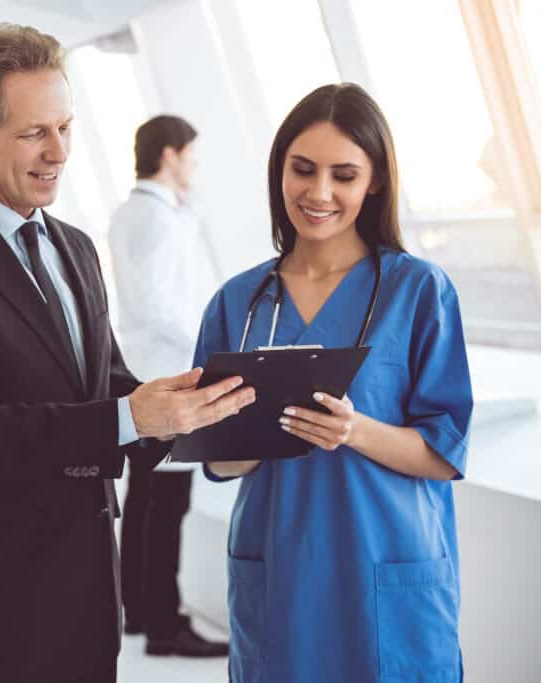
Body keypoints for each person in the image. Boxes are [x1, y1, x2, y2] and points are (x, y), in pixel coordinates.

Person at [0, 23, 255, 683]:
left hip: (86, 612)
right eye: (33, 133)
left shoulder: (76, 248)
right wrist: (133, 415)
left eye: (67, 128)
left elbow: (107, 391)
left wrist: (215, 427)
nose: (58, 152)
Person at [195, 83, 473, 682]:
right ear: (280, 172)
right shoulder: (239, 301)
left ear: (373, 181)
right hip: (281, 574)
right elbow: (218, 460)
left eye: (343, 175)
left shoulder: (418, 291)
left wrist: (353, 430)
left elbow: (445, 452)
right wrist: (239, 431)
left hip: (386, 568)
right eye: (302, 170)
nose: (318, 193)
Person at [108, 115, 228, 657]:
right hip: (169, 374)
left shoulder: (132, 213)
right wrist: (210, 349)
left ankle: (136, 609)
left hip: (138, 371)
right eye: (193, 158)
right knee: (167, 502)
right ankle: (163, 625)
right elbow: (160, 302)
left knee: (144, 498)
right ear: (171, 155)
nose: (195, 169)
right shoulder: (157, 220)